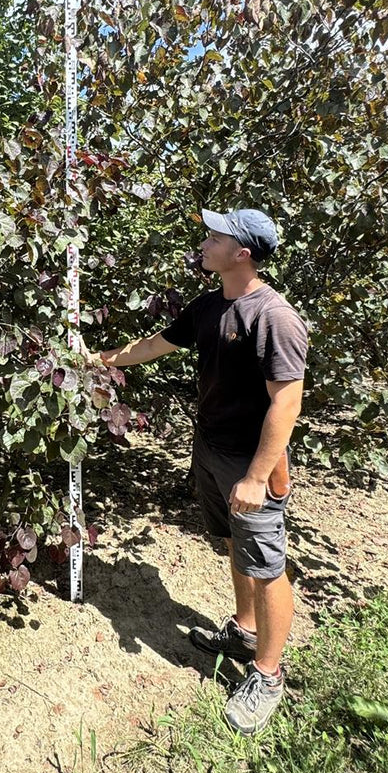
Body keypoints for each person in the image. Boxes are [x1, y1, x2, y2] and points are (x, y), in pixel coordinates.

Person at [90, 208, 308, 735]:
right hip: (210, 450)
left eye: (216, 237)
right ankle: (244, 630)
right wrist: (100, 359)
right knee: (235, 545)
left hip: (251, 460)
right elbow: (155, 345)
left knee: (267, 563)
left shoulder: (273, 317)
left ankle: (268, 672)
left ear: (243, 254)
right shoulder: (209, 307)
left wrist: (257, 477)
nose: (204, 243)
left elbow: (287, 404)